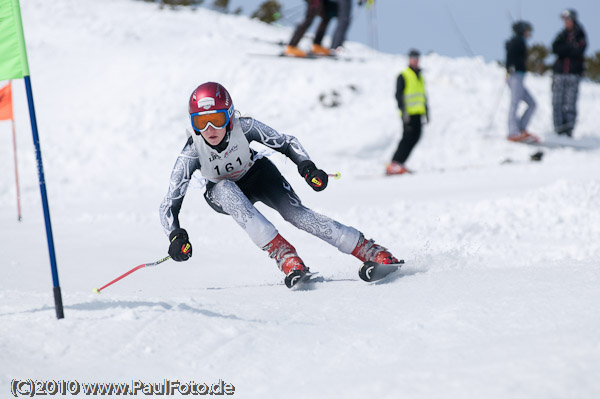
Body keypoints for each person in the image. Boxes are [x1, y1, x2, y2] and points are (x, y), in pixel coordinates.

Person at [160, 82, 399, 288]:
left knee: (297, 215)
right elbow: (170, 204)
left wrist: (308, 168)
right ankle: (285, 256)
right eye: (201, 122)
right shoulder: (191, 153)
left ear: (230, 115)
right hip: (222, 193)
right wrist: (175, 236)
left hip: (258, 175)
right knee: (224, 188)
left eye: (216, 119)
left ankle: (371, 251)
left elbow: (286, 142)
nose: (210, 130)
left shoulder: (245, 127)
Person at [386, 49, 428, 175]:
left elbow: (423, 95)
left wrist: (427, 111)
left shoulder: (420, 75)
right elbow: (398, 95)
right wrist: (403, 111)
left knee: (416, 137)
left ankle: (400, 163)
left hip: (418, 113)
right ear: (409, 59)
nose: (415, 60)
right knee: (407, 138)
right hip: (408, 114)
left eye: (417, 58)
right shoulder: (403, 75)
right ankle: (395, 163)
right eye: (413, 58)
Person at [551, 9, 587, 137]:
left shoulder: (580, 34)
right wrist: (569, 48)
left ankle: (568, 129)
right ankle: (558, 128)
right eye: (564, 20)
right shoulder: (562, 34)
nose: (566, 23)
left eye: (568, 20)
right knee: (557, 101)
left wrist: (565, 49)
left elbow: (579, 51)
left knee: (570, 102)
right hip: (560, 73)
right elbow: (555, 48)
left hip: (573, 73)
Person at [505, 21, 538, 143]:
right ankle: (513, 131)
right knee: (515, 103)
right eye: (527, 30)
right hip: (515, 77)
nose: (529, 33)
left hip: (520, 77)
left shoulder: (520, 42)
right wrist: (510, 69)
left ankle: (521, 128)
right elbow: (510, 59)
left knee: (532, 104)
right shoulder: (516, 42)